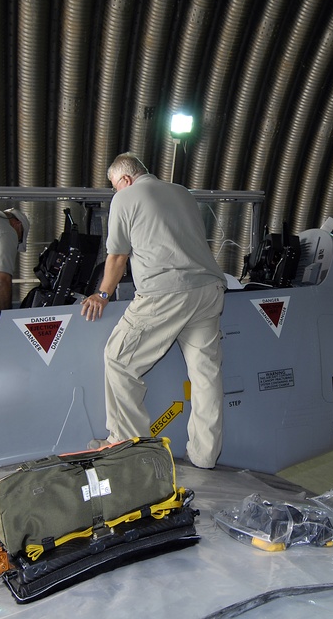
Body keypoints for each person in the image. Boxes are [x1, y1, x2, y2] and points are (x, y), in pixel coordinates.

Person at [81, 152, 226, 469]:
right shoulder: (181, 192)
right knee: (205, 375)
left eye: (115, 186)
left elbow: (118, 256)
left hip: (165, 293)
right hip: (208, 289)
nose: (115, 192)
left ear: (126, 179)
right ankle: (205, 455)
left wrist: (102, 294)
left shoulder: (126, 197)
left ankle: (130, 447)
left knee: (119, 360)